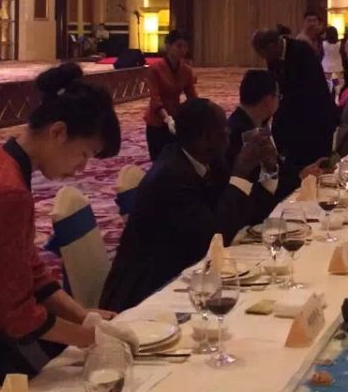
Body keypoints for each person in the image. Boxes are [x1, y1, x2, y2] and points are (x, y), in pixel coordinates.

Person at [0, 63, 122, 385]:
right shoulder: (7, 190)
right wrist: (93, 340)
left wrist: (83, 317)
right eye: (84, 154)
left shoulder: (5, 165)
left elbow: (29, 267)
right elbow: (18, 315)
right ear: (58, 132)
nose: (81, 168)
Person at [101, 99, 275, 311]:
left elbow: (244, 216)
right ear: (204, 138)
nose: (228, 132)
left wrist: (269, 172)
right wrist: (240, 172)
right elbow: (214, 236)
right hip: (147, 292)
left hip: (190, 271)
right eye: (222, 128)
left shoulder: (210, 160)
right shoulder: (170, 177)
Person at [252, 28, 338, 188]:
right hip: (292, 121)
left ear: (272, 46)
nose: (263, 58)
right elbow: (276, 88)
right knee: (294, 173)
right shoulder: (273, 57)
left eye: (262, 53)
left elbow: (312, 93)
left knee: (316, 170)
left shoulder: (302, 52)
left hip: (315, 120)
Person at [144, 28, 197, 160]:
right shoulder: (155, 69)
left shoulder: (186, 70)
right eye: (179, 46)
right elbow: (155, 98)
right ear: (168, 46)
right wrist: (167, 118)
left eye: (185, 47)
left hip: (175, 119)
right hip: (156, 121)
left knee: (176, 160)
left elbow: (192, 96)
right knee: (158, 162)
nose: (183, 50)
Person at [226, 69, 280, 180]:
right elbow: (258, 180)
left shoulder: (246, 122)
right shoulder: (243, 133)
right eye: (278, 96)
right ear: (268, 99)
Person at [321, 25, 343, 95]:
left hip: (326, 66)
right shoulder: (340, 43)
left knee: (327, 87)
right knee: (337, 86)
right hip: (337, 66)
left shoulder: (323, 43)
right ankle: (336, 98)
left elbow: (321, 54)